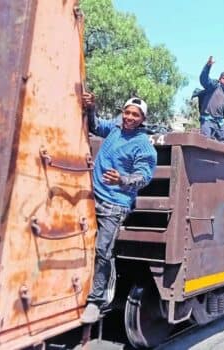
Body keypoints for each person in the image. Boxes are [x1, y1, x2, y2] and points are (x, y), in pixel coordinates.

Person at [80, 92, 157, 324]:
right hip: (91, 197)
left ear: (142, 119)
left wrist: (122, 179)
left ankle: (96, 301)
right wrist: (91, 107)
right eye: (127, 112)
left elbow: (143, 177)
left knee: (103, 252)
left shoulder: (144, 146)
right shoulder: (114, 129)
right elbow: (94, 126)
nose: (129, 117)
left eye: (135, 114)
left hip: (114, 204)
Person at [193, 55, 224, 143]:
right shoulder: (213, 86)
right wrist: (208, 66)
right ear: (220, 79)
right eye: (223, 78)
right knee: (205, 140)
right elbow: (204, 79)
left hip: (219, 121)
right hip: (207, 119)